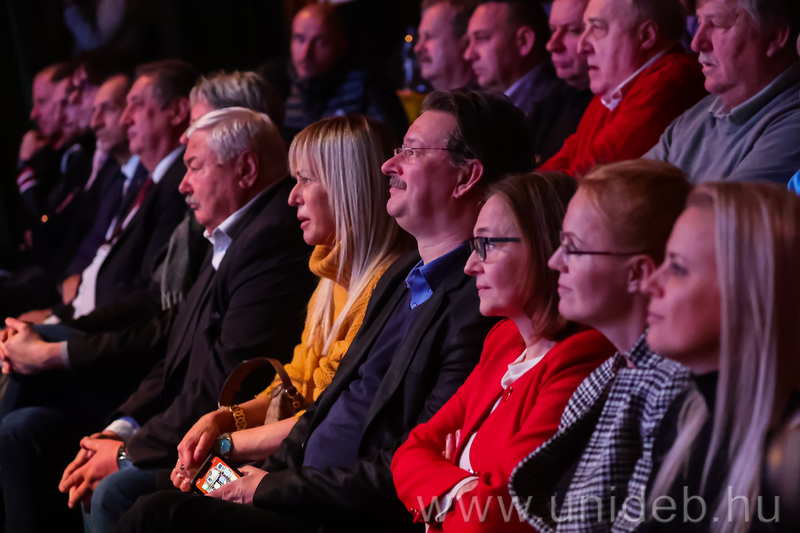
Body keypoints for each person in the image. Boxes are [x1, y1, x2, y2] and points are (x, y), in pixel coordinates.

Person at [113, 89, 533, 533]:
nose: (390, 165)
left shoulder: (478, 303)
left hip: (339, 511)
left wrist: (266, 484)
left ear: (466, 177)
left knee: (152, 513)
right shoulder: (402, 275)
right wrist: (242, 466)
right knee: (157, 492)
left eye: (411, 151)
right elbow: (324, 409)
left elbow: (409, 462)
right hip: (295, 484)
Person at [50, 107, 316, 533]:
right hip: (206, 440)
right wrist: (121, 431)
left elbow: (225, 382)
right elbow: (176, 358)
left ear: (246, 169)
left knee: (116, 490)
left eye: (194, 167)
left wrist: (126, 454)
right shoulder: (231, 231)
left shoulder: (270, 236)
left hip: (255, 461)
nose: (182, 184)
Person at [169, 113, 411, 491]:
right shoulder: (331, 277)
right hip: (292, 463)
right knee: (155, 494)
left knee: (146, 506)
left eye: (306, 179)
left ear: (348, 188)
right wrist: (221, 419)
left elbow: (327, 416)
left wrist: (227, 444)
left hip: (319, 482)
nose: (292, 196)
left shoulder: (385, 286)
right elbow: (294, 386)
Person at [391, 172, 615, 532]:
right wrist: (464, 488)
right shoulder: (503, 340)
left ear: (544, 247)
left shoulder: (582, 357)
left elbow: (494, 517)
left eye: (486, 244)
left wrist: (439, 496)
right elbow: (409, 452)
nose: (470, 265)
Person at [508, 160, 694, 532]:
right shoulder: (605, 376)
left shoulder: (674, 391)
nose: (554, 261)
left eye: (573, 248)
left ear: (637, 273)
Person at [639, 183, 800, 532]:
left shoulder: (791, 462)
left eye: (677, 268)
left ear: (748, 294)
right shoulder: (684, 416)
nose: (649, 284)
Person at [540, 0, 707, 177]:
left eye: (597, 28)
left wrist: (527, 189)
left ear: (646, 36)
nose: (582, 47)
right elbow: (563, 162)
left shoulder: (671, 83)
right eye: (583, 28)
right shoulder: (613, 91)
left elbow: (593, 177)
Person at [645, 0, 800, 184]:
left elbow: (726, 204)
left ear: (774, 37)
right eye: (699, 22)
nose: (696, 43)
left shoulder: (793, 125)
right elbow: (627, 189)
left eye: (718, 24)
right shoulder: (702, 111)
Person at [283, 3, 409, 142]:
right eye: (299, 39)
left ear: (342, 46)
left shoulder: (366, 85)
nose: (306, 53)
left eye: (320, 42)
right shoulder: (279, 83)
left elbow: (390, 143)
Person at [465, 0, 564, 118]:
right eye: (469, 41)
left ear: (524, 41)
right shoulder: (471, 102)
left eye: (482, 38)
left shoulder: (559, 108)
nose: (468, 54)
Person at [530, 0, 595, 165]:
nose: (552, 45)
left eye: (574, 30)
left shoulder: (611, 104)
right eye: (553, 30)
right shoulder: (549, 105)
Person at [416, 0, 479, 91]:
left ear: (465, 40)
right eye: (419, 37)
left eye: (429, 36)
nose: (418, 48)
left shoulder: (489, 99)